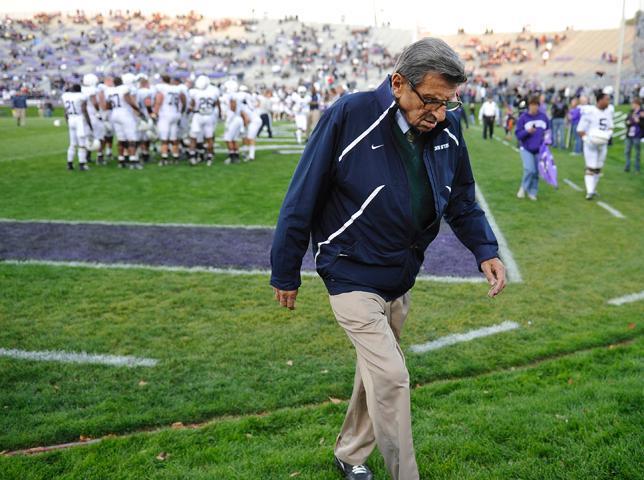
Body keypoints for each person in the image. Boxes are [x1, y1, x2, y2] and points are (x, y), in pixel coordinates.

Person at [270, 38, 506, 480]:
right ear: (399, 83)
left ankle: (350, 454)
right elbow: (301, 195)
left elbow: (463, 202)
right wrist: (285, 269)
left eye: (449, 102)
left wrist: (485, 250)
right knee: (393, 377)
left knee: (375, 375)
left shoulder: (448, 132)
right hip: (349, 272)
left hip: (399, 278)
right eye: (431, 100)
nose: (437, 112)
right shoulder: (350, 115)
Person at [577, 90, 614, 200]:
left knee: (598, 168)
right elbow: (580, 129)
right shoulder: (589, 112)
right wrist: (586, 139)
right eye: (606, 99)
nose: (608, 102)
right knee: (591, 167)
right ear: (600, 100)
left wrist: (607, 135)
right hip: (590, 144)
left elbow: (611, 127)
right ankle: (589, 191)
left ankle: (593, 189)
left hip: (602, 144)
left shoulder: (609, 112)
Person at [515, 96, 551, 201]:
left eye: (536, 105)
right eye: (532, 105)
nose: (534, 107)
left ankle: (533, 192)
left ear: (538, 106)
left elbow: (548, 131)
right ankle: (523, 188)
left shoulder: (543, 117)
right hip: (526, 148)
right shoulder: (523, 118)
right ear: (529, 106)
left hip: (539, 149)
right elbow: (518, 134)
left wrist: (547, 141)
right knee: (529, 169)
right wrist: (527, 131)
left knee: (536, 172)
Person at [61, 83, 93, 171]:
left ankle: (69, 163)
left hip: (71, 118)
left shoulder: (66, 96)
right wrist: (90, 124)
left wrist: (67, 120)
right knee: (82, 143)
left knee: (72, 143)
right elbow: (84, 110)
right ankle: (82, 164)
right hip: (79, 119)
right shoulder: (81, 96)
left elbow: (65, 111)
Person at [624, 97, 642, 173]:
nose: (632, 105)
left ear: (637, 104)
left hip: (637, 135)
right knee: (627, 151)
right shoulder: (631, 112)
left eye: (633, 104)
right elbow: (626, 120)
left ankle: (637, 169)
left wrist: (638, 121)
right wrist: (628, 122)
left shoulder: (642, 113)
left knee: (637, 153)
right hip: (629, 134)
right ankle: (627, 167)